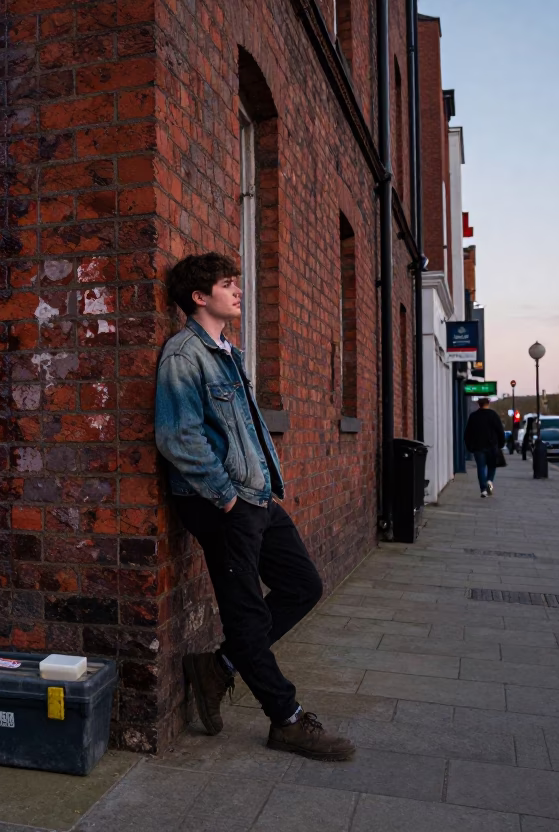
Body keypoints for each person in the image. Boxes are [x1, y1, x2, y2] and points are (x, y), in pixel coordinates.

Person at [154, 253, 355, 762]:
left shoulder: (229, 351)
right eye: (227, 284)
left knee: (302, 586)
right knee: (244, 612)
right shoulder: (184, 355)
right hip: (222, 502)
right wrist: (224, 496)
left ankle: (218, 666)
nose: (238, 291)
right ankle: (285, 719)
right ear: (200, 297)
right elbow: (179, 438)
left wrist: (256, 486)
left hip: (256, 495)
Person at [465, 397, 506, 497]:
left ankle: (483, 489)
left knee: (481, 467)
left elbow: (468, 433)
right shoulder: (493, 415)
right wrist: (501, 443)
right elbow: (500, 431)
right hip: (492, 446)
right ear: (488, 404)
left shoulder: (473, 416)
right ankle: (489, 481)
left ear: (479, 404)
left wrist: (469, 446)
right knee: (492, 466)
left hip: (478, 447)